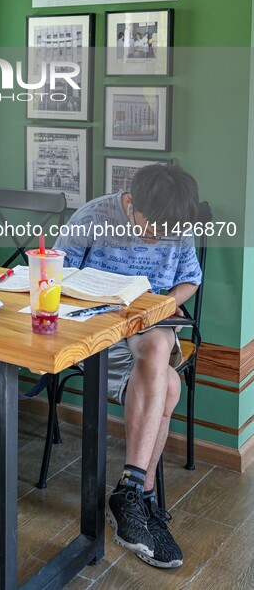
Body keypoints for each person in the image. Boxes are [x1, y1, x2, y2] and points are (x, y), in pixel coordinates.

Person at [54, 164, 201, 570]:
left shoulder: (176, 224)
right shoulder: (94, 217)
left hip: (148, 326)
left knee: (156, 345)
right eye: (149, 227)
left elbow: (190, 279)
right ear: (131, 202)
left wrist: (163, 305)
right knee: (169, 387)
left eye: (165, 231)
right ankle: (141, 493)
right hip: (95, 327)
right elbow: (55, 272)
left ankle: (129, 491)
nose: (156, 237)